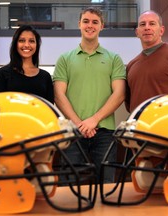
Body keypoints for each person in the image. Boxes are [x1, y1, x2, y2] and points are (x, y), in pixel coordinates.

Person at [53, 7, 126, 183]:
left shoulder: (114, 58)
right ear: (79, 24)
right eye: (86, 21)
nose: (90, 25)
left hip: (105, 133)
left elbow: (120, 93)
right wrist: (79, 123)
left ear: (102, 26)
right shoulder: (65, 58)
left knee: (107, 185)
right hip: (73, 131)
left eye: (95, 22)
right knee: (69, 186)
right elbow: (58, 95)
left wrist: (94, 120)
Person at [0, 25, 54, 104]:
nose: (26, 45)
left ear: (37, 45)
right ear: (15, 44)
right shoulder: (3, 73)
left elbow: (49, 110)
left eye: (31, 41)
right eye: (22, 40)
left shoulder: (45, 76)